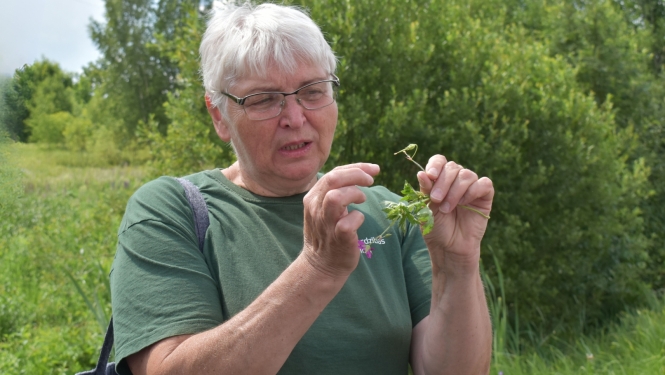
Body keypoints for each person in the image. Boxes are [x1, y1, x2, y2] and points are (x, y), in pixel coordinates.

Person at [110, 3, 493, 375]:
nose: (295, 118)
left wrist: (458, 264)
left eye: (313, 91)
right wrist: (316, 269)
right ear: (219, 116)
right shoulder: (171, 209)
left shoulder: (391, 214)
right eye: (264, 99)